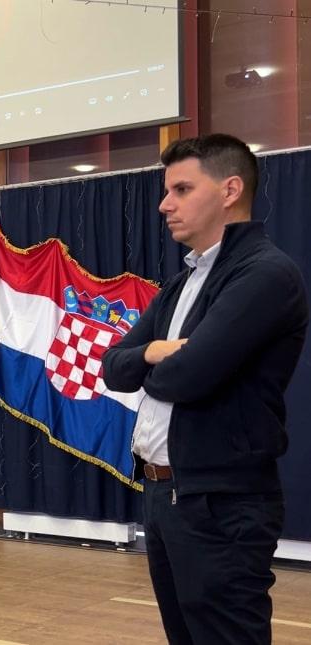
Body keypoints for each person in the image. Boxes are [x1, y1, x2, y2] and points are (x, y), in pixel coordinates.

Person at [102, 133, 309, 645]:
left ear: (230, 190)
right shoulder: (180, 284)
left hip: (221, 503)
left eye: (181, 189)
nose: (164, 204)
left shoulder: (265, 274)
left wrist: (157, 363)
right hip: (164, 494)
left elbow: (188, 376)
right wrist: (155, 351)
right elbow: (113, 367)